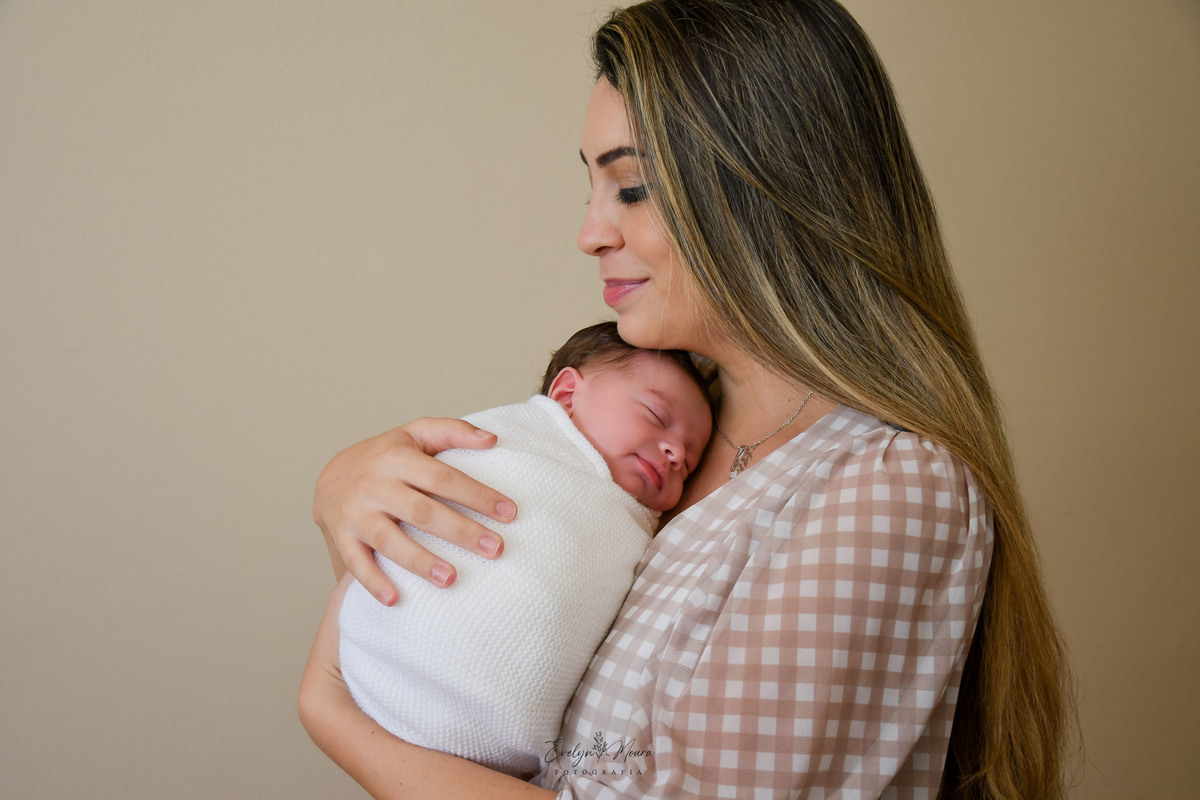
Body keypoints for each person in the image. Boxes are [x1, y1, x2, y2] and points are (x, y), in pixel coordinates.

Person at [299, 1, 1076, 798]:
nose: (590, 233)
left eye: (630, 188)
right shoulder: (658, 434)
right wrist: (348, 487)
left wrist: (336, 714)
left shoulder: (891, 486)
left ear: (770, 189)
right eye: (592, 186)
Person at [336, 322, 713, 778]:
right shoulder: (504, 439)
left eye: (689, 461)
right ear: (567, 393)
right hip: (375, 660)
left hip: (495, 742)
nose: (674, 452)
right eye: (656, 416)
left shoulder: (639, 529)